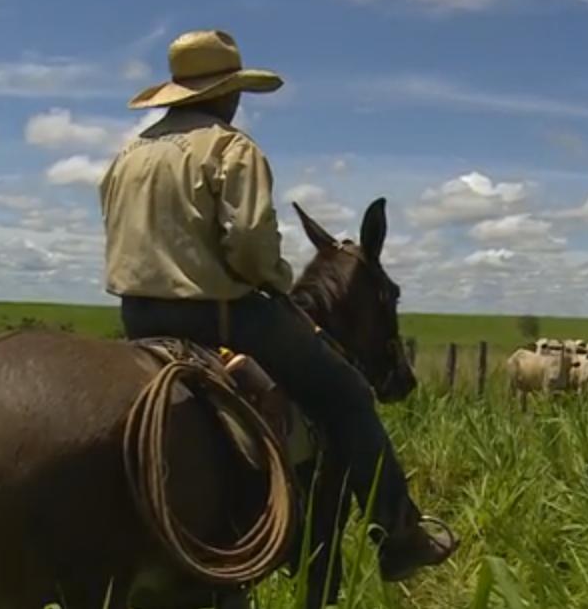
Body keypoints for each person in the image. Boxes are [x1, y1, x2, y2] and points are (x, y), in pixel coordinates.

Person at [97, 29, 457, 600]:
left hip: (138, 319)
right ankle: (400, 534)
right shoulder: (232, 149)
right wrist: (278, 284)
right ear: (228, 93)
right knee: (346, 395)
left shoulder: (128, 154)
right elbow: (248, 248)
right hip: (219, 318)